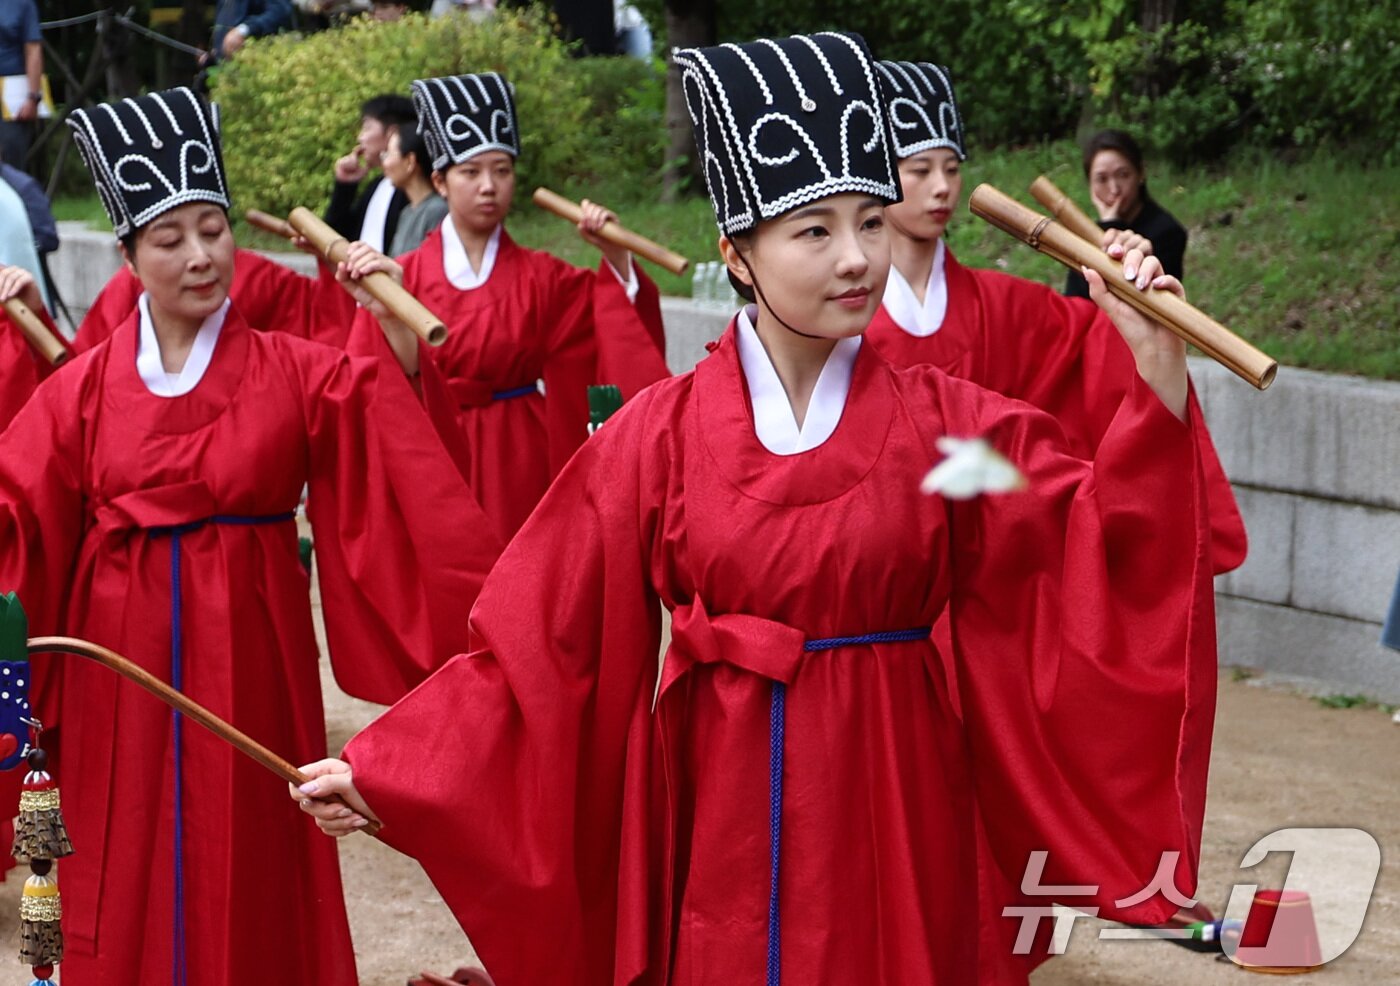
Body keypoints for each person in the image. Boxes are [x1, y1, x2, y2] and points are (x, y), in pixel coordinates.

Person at [294, 33, 1218, 984]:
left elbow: (1092, 537)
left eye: (868, 220)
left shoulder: (948, 438)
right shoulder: (657, 438)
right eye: (814, 230)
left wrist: (1153, 362)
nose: (857, 258)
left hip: (895, 792)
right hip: (721, 788)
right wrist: (395, 769)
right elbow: (539, 639)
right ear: (738, 254)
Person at [0, 87, 499, 985]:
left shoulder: (298, 375)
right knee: (123, 853)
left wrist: (396, 339)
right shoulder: (81, 391)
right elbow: (15, 516)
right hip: (120, 668)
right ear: (127, 257)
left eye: (213, 229)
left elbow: (400, 466)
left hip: (254, 665)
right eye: (169, 239)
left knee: (256, 855)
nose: (200, 256)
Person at [868, 61, 1244, 573]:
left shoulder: (1004, 307)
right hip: (883, 575)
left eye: (952, 169)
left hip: (989, 582)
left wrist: (1134, 311)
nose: (942, 188)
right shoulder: (840, 319)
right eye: (920, 170)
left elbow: (1094, 349)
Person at [350, 72, 669, 542]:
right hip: (439, 449)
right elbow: (372, 382)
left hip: (525, 455)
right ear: (440, 180)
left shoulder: (545, 277)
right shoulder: (405, 279)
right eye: (471, 171)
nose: (488, 186)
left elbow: (613, 332)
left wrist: (616, 258)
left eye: (502, 170)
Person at [1065, 129, 1188, 299]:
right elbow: (1076, 298)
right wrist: (1108, 223)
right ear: (1090, 185)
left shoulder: (1168, 232)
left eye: (1123, 175)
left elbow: (1134, 297)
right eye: (1102, 179)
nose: (1114, 189)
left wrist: (1110, 224)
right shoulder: (1085, 233)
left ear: (1140, 173)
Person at [324, 94, 414, 254]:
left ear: (392, 133)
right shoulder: (377, 185)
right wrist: (345, 186)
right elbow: (335, 237)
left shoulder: (412, 188)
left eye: (367, 128)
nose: (360, 137)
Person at [384, 123, 448, 256]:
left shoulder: (437, 211)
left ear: (410, 161)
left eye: (389, 154)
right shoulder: (406, 213)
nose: (385, 164)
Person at [0, 0, 41, 171]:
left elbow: (33, 49)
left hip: (12, 96)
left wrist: (33, 96)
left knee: (11, 158)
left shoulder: (23, 4)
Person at [209, 0, 294, 62]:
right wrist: (214, 55)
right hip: (225, 70)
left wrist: (243, 30)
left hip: (257, 66)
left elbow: (280, 11)